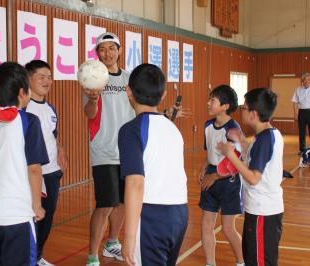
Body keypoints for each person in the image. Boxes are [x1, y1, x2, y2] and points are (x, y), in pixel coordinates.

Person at [0, 62, 48, 266]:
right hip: (18, 216)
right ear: (23, 93)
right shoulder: (29, 121)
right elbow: (34, 168)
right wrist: (37, 205)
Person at [118, 63, 188, 266]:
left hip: (151, 216)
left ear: (128, 91)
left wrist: (129, 236)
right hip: (179, 214)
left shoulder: (130, 130)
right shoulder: (173, 128)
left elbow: (135, 183)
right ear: (164, 94)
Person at [82, 32, 135, 266]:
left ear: (119, 50)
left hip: (128, 150)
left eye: (111, 48)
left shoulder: (130, 79)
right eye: (102, 49)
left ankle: (112, 243)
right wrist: (93, 100)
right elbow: (89, 115)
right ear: (97, 54)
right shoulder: (93, 78)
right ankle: (93, 254)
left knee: (123, 202)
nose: (107, 53)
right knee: (105, 204)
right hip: (103, 151)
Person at [218, 88, 283, 266]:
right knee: (253, 258)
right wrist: (242, 142)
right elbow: (255, 159)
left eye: (244, 108)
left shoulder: (264, 140)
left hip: (263, 211)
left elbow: (254, 177)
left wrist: (231, 155)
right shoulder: (268, 134)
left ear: (254, 114)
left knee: (259, 261)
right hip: (260, 209)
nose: (242, 110)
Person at [25, 60, 68, 266]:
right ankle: (29, 258)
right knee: (33, 218)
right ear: (28, 79)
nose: (47, 81)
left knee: (48, 217)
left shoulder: (49, 108)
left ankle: (37, 256)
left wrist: (60, 148)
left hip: (52, 172)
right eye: (41, 76)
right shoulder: (24, 108)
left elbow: (52, 135)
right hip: (34, 174)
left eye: (49, 77)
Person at [198, 85, 244, 266]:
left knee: (227, 228)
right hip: (210, 177)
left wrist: (215, 176)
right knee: (206, 225)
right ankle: (210, 263)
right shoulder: (208, 125)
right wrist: (204, 167)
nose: (208, 103)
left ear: (225, 106)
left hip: (227, 181)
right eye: (209, 99)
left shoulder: (233, 129)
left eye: (213, 100)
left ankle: (241, 261)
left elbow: (235, 162)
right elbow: (210, 152)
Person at [292, 72, 310, 153]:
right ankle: (302, 149)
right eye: (305, 80)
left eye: (308, 80)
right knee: (301, 132)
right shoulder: (297, 89)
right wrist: (295, 113)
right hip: (301, 112)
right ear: (302, 81)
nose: (307, 81)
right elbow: (295, 102)